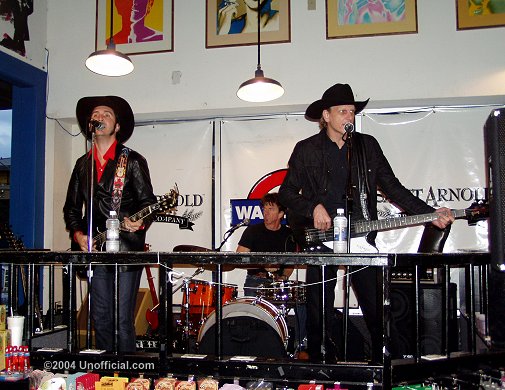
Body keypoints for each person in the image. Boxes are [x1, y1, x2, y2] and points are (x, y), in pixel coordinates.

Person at [278, 83, 455, 362]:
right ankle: (322, 366)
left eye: (352, 111)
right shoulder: (306, 149)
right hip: (320, 239)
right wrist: (313, 207)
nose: (349, 116)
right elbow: (286, 193)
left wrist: (430, 213)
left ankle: (388, 365)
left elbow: (392, 187)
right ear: (326, 116)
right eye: (342, 111)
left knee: (377, 308)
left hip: (360, 236)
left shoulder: (367, 146)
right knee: (318, 311)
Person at [63, 95, 157, 352]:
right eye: (96, 113)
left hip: (125, 250)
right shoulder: (82, 164)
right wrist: (78, 235)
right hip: (94, 249)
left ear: (117, 126)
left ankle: (125, 373)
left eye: (107, 114)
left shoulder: (133, 160)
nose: (100, 117)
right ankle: (105, 372)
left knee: (121, 320)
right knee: (100, 318)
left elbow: (148, 203)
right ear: (90, 123)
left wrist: (139, 223)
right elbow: (71, 208)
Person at [236, 192, 307, 356]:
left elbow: (290, 264)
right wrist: (263, 264)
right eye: (264, 209)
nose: (265, 213)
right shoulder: (252, 231)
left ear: (281, 214)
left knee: (302, 301)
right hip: (255, 280)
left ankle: (301, 346)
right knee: (255, 305)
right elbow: (238, 258)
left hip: (278, 283)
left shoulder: (289, 234)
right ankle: (255, 345)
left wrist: (283, 277)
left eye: (270, 209)